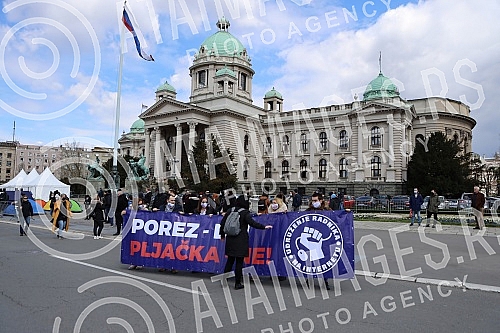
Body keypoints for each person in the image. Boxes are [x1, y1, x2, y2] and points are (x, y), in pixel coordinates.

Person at [219, 195, 272, 290]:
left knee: (230, 261)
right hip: (241, 239)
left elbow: (222, 223)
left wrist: (222, 235)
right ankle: (237, 283)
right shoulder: (245, 212)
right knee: (239, 262)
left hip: (230, 238)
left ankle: (224, 280)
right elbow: (252, 223)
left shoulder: (230, 210)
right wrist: (264, 227)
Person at [305, 192, 332, 290]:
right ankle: (309, 279)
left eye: (316, 200)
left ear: (321, 201)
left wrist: (346, 212)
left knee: (324, 260)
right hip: (311, 238)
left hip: (323, 239)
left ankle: (325, 280)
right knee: (311, 260)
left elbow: (336, 218)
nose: (314, 202)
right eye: (313, 200)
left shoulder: (327, 210)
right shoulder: (309, 210)